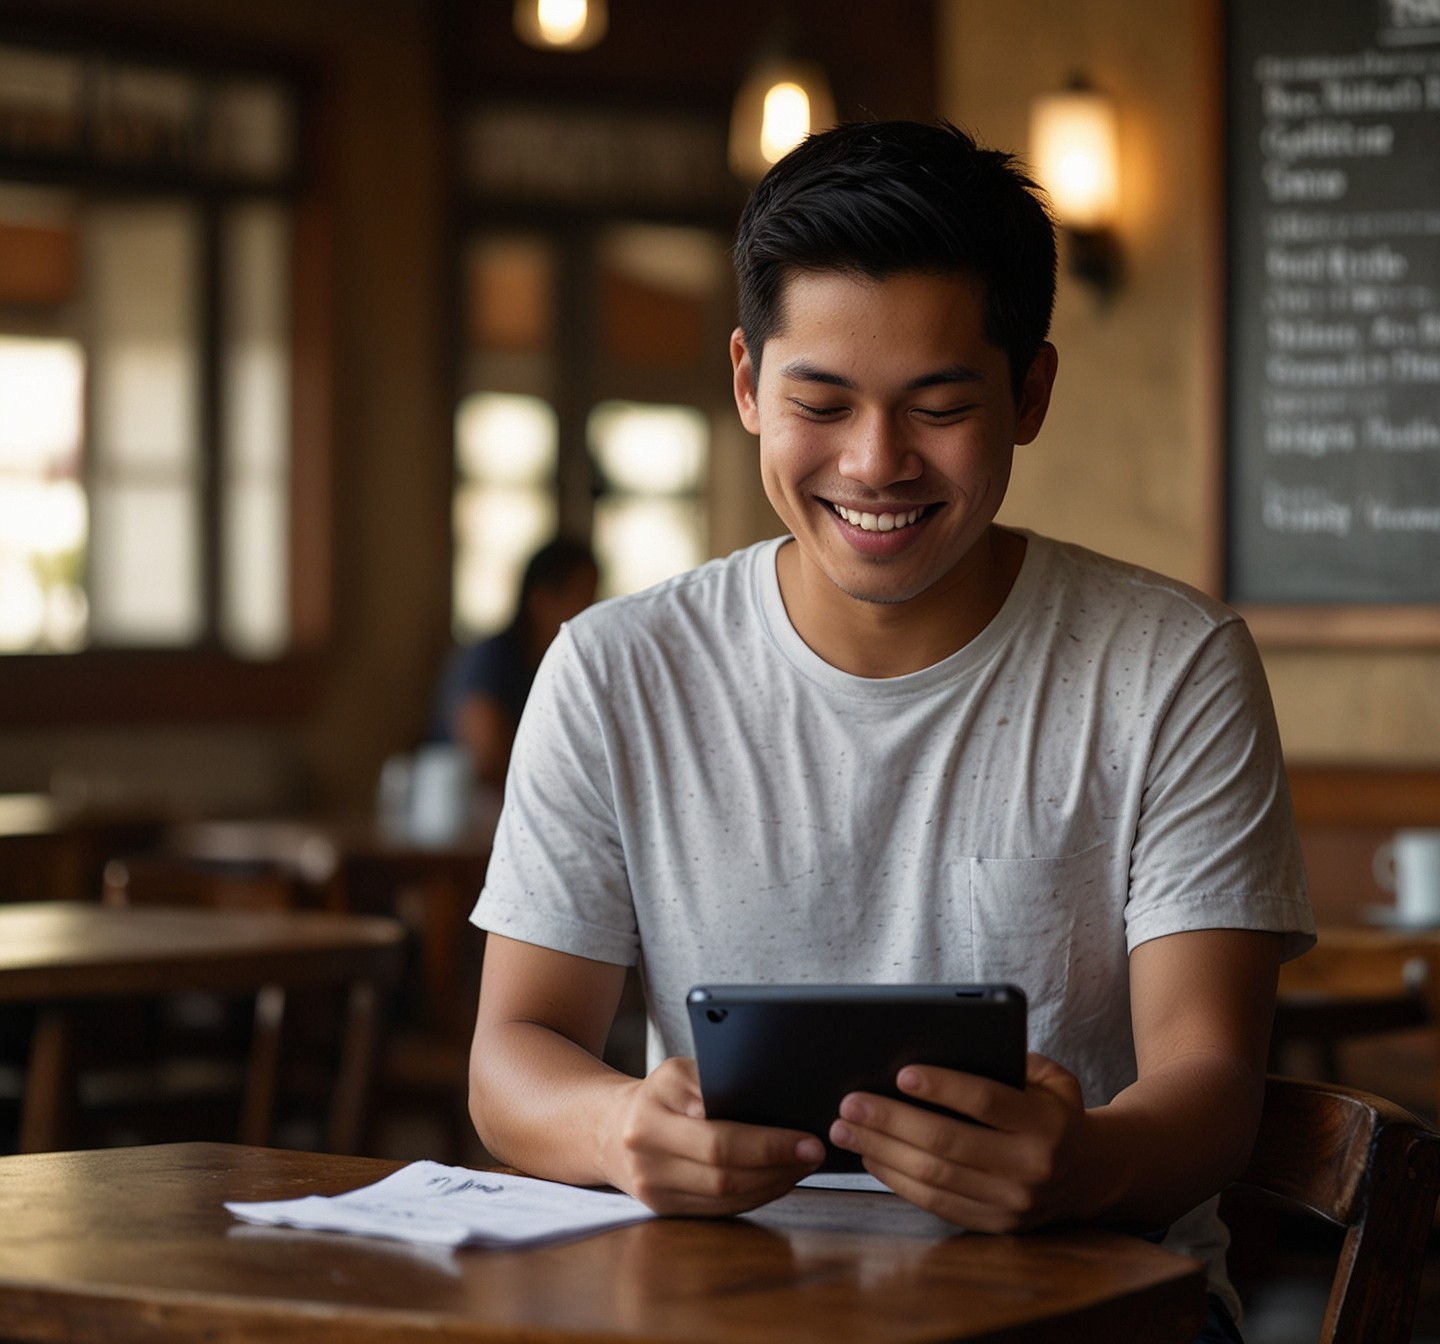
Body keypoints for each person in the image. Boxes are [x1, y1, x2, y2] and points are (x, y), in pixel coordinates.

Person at [467, 121, 1312, 1341]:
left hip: (1086, 1309)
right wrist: (616, 1130)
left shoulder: (1168, 666)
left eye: (938, 406)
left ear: (1029, 394)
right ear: (749, 384)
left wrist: (1080, 1163)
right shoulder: (616, 669)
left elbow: (1213, 1084)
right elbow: (513, 1051)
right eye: (821, 402)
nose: (875, 464)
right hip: (718, 1309)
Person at [427, 539, 599, 787]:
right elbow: (487, 757)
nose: (591, 611)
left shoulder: (559, 666)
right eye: (583, 597)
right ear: (541, 599)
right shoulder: (494, 658)